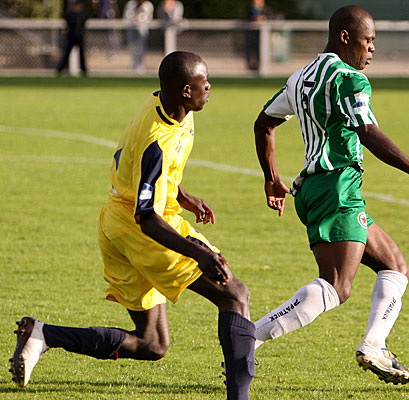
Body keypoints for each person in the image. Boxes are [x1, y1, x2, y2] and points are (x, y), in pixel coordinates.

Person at [10, 51, 256, 400]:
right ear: (186, 90)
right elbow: (148, 218)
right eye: (204, 83)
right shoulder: (159, 139)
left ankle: (43, 335)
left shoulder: (167, 103)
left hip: (116, 221)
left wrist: (181, 195)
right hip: (141, 228)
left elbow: (151, 174)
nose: (210, 87)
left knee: (151, 344)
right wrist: (198, 254)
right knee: (234, 294)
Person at [252, 5, 409, 385]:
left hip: (315, 188)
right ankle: (248, 338)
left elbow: (264, 122)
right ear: (345, 37)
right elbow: (366, 131)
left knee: (394, 265)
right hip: (337, 187)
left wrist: (272, 178)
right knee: (336, 286)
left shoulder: (300, 78)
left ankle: (374, 345)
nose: (372, 49)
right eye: (368, 40)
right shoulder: (350, 79)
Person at [56, 0, 87, 76]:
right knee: (66, 54)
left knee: (82, 55)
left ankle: (84, 70)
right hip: (71, 37)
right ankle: (59, 69)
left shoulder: (82, 14)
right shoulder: (70, 14)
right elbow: (66, 17)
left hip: (79, 37)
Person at [124, 0, 154, 73]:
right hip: (131, 28)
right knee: (132, 46)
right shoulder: (131, 4)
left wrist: (140, 20)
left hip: (142, 30)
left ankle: (140, 64)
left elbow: (148, 18)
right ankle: (134, 63)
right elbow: (126, 16)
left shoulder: (148, 5)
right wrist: (132, 20)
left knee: (141, 46)